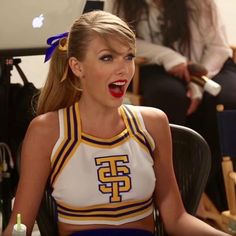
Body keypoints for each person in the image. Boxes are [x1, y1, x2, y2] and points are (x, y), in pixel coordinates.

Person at [3, 10, 229, 236]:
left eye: (129, 56)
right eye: (107, 57)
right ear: (77, 66)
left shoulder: (153, 124)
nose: (124, 69)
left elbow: (177, 219)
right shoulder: (47, 130)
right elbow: (19, 224)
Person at [104, 0, 236, 212]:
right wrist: (167, 56)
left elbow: (218, 48)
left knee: (229, 99)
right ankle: (179, 188)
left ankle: (212, 187)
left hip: (208, 66)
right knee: (168, 97)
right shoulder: (118, 3)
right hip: (153, 64)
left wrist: (198, 83)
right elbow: (116, 39)